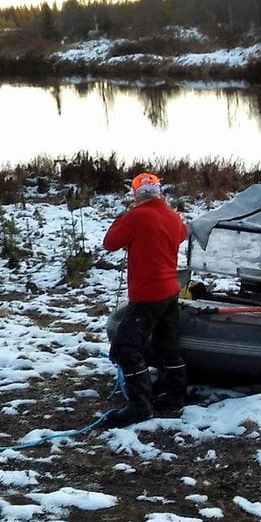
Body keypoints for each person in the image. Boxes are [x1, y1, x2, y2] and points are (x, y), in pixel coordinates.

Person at [101, 172, 188, 428]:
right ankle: (175, 396)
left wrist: (123, 222)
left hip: (147, 295)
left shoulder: (136, 216)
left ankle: (140, 407)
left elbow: (110, 242)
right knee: (168, 344)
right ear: (160, 192)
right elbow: (181, 235)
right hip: (170, 290)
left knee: (124, 348)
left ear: (136, 194)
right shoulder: (173, 217)